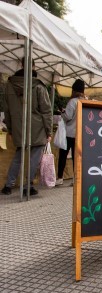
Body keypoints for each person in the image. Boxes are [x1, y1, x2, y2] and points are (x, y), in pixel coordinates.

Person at [1, 58, 52, 196]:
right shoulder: (39, 86)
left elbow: (7, 110)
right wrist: (48, 130)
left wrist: (11, 129)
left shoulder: (10, 85)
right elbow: (46, 111)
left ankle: (8, 185)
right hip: (38, 128)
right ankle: (27, 186)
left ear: (21, 65)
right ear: (34, 67)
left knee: (18, 156)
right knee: (34, 158)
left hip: (19, 127)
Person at [55, 79, 86, 186]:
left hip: (69, 133)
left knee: (63, 155)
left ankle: (59, 178)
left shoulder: (72, 102)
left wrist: (62, 113)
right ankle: (75, 178)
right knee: (76, 157)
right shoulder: (85, 101)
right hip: (80, 133)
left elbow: (68, 117)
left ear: (74, 90)